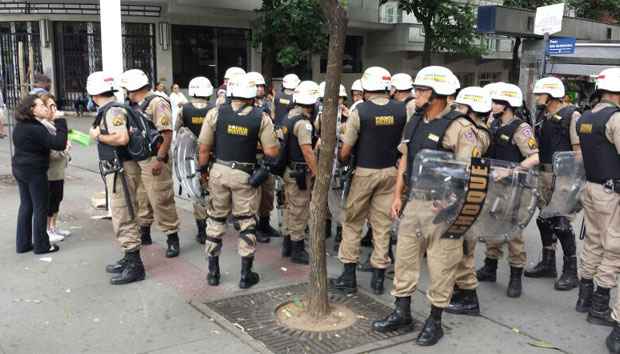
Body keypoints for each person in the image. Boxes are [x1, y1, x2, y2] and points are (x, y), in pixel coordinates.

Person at [371, 66, 481, 346]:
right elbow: (404, 161)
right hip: (414, 202)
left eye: (421, 91)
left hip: (443, 208)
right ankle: (402, 311)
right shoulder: (414, 121)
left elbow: (470, 173)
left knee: (441, 264)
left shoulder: (461, 128)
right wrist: (398, 196)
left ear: (437, 96)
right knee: (406, 258)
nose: (415, 94)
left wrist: (450, 204)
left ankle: (435, 321)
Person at [329, 67, 406, 295]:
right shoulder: (401, 110)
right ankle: (379, 279)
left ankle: (349, 277)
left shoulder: (360, 111)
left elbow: (346, 149)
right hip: (390, 172)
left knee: (352, 223)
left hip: (364, 172)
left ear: (365, 87)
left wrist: (342, 159)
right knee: (382, 226)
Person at [198, 74, 279, 288]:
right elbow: (271, 153)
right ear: (253, 96)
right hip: (245, 176)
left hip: (218, 172)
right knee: (246, 223)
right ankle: (245, 276)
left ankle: (213, 273)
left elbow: (204, 148)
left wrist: (202, 171)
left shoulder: (215, 113)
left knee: (215, 220)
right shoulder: (261, 117)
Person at [476, 82, 540, 298]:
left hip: (514, 187)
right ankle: (490, 267)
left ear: (508, 104)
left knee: (513, 232)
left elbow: (535, 156)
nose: (492, 105)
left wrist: (512, 170)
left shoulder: (520, 128)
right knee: (492, 224)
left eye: (496, 102)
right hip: (493, 184)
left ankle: (515, 276)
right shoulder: (492, 123)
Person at [574, 69, 620, 348]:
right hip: (611, 192)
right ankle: (600, 306)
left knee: (592, 243)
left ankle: (584, 297)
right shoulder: (615, 118)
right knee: (613, 247)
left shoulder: (587, 117)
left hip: (591, 188)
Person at [87, 71, 145, 285]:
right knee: (123, 211)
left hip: (122, 169)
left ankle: (135, 265)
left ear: (93, 94)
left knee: (124, 213)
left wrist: (98, 136)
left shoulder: (112, 111)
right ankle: (129, 257)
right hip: (119, 168)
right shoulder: (113, 109)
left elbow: (121, 138)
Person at [526, 77, 581, 291]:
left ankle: (571, 270)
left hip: (563, 176)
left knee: (561, 223)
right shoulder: (543, 116)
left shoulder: (572, 115)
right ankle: (548, 263)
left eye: (540, 94)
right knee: (544, 220)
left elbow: (578, 152)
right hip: (544, 174)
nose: (538, 98)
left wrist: (572, 182)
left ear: (551, 95)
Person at [121, 69, 182, 258]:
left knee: (161, 198)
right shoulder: (131, 105)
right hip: (138, 158)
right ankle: (145, 232)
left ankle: (172, 238)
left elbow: (167, 133)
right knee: (142, 197)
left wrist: (161, 159)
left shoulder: (157, 102)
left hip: (155, 158)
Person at [445, 86, 494, 316]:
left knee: (465, 248)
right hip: (467, 193)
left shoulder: (475, 133)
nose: (459, 111)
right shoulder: (476, 129)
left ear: (472, 109)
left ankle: (469, 298)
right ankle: (460, 289)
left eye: (462, 107)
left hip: (467, 194)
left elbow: (465, 166)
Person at [12, 94, 67, 254]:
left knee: (26, 205)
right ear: (32, 110)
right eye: (41, 105)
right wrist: (60, 121)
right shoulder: (35, 128)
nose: (45, 108)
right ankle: (42, 245)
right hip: (34, 171)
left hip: (20, 168)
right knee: (40, 206)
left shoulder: (21, 125)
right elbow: (59, 144)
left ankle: (23, 244)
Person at [280, 81, 321, 265]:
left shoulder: (289, 116)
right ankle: (297, 249)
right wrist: (317, 172)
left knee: (290, 207)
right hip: (299, 172)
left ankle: (287, 244)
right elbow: (307, 151)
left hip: (288, 170)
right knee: (299, 209)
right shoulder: (304, 124)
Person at [174, 76, 215, 245]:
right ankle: (215, 226)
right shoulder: (215, 109)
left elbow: (178, 131)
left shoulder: (184, 109)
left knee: (197, 191)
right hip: (213, 155)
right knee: (213, 191)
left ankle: (202, 231)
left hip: (192, 157)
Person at [246, 71, 280, 242]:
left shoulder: (267, 103)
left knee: (267, 194)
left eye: (261, 85)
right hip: (252, 157)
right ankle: (254, 228)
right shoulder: (244, 107)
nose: (260, 89)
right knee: (253, 196)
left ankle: (265, 224)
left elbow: (273, 124)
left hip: (267, 156)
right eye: (256, 85)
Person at [39, 93, 72, 242]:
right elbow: (52, 152)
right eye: (50, 106)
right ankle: (47, 229)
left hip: (59, 170)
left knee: (57, 198)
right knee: (50, 201)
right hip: (50, 171)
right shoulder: (44, 126)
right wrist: (65, 150)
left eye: (54, 105)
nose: (54, 109)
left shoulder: (54, 124)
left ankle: (53, 227)